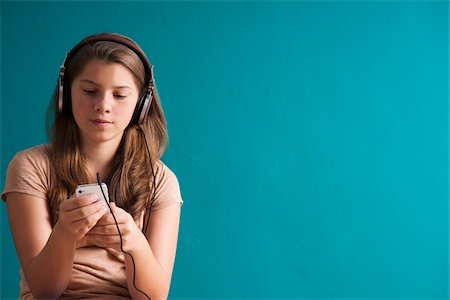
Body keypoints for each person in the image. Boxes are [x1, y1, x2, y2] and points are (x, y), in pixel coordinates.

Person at [2, 33, 183, 299]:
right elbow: (44, 291)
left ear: (141, 105)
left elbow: (153, 297)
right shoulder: (30, 166)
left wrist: (133, 243)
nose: (103, 106)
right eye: (89, 91)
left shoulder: (161, 181)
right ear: (65, 94)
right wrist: (64, 233)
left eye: (120, 95)